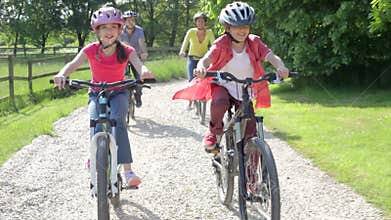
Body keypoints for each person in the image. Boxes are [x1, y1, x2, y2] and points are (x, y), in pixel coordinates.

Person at [53, 6, 151, 187]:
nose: (109, 31)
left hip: (119, 91)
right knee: (95, 120)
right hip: (96, 92)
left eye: (113, 27)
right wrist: (62, 74)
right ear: (96, 30)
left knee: (117, 120)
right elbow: (73, 64)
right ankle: (94, 156)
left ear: (120, 30)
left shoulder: (127, 50)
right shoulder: (90, 50)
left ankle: (128, 170)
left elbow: (138, 64)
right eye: (104, 27)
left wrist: (144, 71)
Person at [173, 2, 289, 151]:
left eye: (246, 26)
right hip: (223, 85)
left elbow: (272, 56)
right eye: (237, 26)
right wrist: (202, 66)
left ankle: (252, 166)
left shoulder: (254, 42)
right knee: (220, 102)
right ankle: (214, 133)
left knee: (250, 126)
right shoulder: (222, 43)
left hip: (245, 88)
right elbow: (207, 58)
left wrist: (280, 66)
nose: (242, 31)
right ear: (228, 28)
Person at [179, 12, 215, 111]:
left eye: (202, 21)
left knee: (205, 79)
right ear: (195, 22)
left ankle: (202, 97)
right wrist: (182, 51)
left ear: (205, 22)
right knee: (191, 80)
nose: (200, 23)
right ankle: (189, 101)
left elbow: (213, 45)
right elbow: (185, 43)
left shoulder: (209, 32)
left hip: (203, 60)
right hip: (192, 58)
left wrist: (215, 54)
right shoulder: (191, 31)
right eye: (198, 21)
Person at [119, 10, 149, 108]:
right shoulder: (120, 31)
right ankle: (124, 95)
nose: (131, 22)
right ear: (124, 21)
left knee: (139, 77)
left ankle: (138, 94)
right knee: (123, 76)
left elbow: (141, 42)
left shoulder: (139, 30)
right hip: (124, 56)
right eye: (128, 20)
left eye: (132, 20)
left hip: (136, 56)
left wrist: (144, 52)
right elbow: (119, 44)